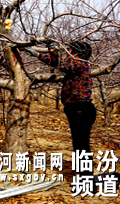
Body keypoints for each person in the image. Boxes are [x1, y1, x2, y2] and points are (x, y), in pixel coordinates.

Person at [24, 41, 95, 174]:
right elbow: (57, 63)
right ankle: (85, 177)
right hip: (79, 109)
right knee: (80, 145)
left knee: (81, 146)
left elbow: (61, 65)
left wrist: (51, 51)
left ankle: (86, 180)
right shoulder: (78, 64)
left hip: (80, 110)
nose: (68, 54)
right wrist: (39, 54)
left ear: (75, 53)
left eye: (70, 51)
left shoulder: (79, 64)